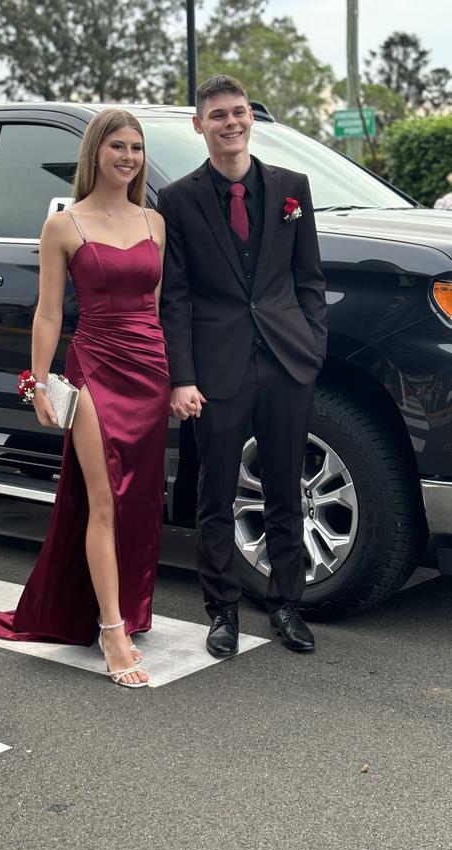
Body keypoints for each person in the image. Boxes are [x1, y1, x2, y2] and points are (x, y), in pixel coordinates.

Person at [0, 109, 169, 688]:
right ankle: (112, 628)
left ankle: (127, 608)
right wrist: (38, 382)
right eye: (117, 146)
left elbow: (157, 309)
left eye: (136, 147)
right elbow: (48, 311)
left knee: (139, 501)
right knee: (104, 497)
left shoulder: (155, 222)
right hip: (94, 370)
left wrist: (176, 378)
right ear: (95, 152)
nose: (128, 157)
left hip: (151, 372)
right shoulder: (64, 225)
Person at [158, 74, 327, 657]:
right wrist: (182, 375)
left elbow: (310, 279)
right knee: (216, 492)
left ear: (250, 118)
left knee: (285, 485)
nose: (231, 122)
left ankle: (286, 602)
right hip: (216, 368)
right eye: (218, 115)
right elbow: (174, 296)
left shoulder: (291, 188)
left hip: (286, 361)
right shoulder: (178, 199)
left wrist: (312, 348)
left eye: (239, 113)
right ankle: (222, 609)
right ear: (198, 125)